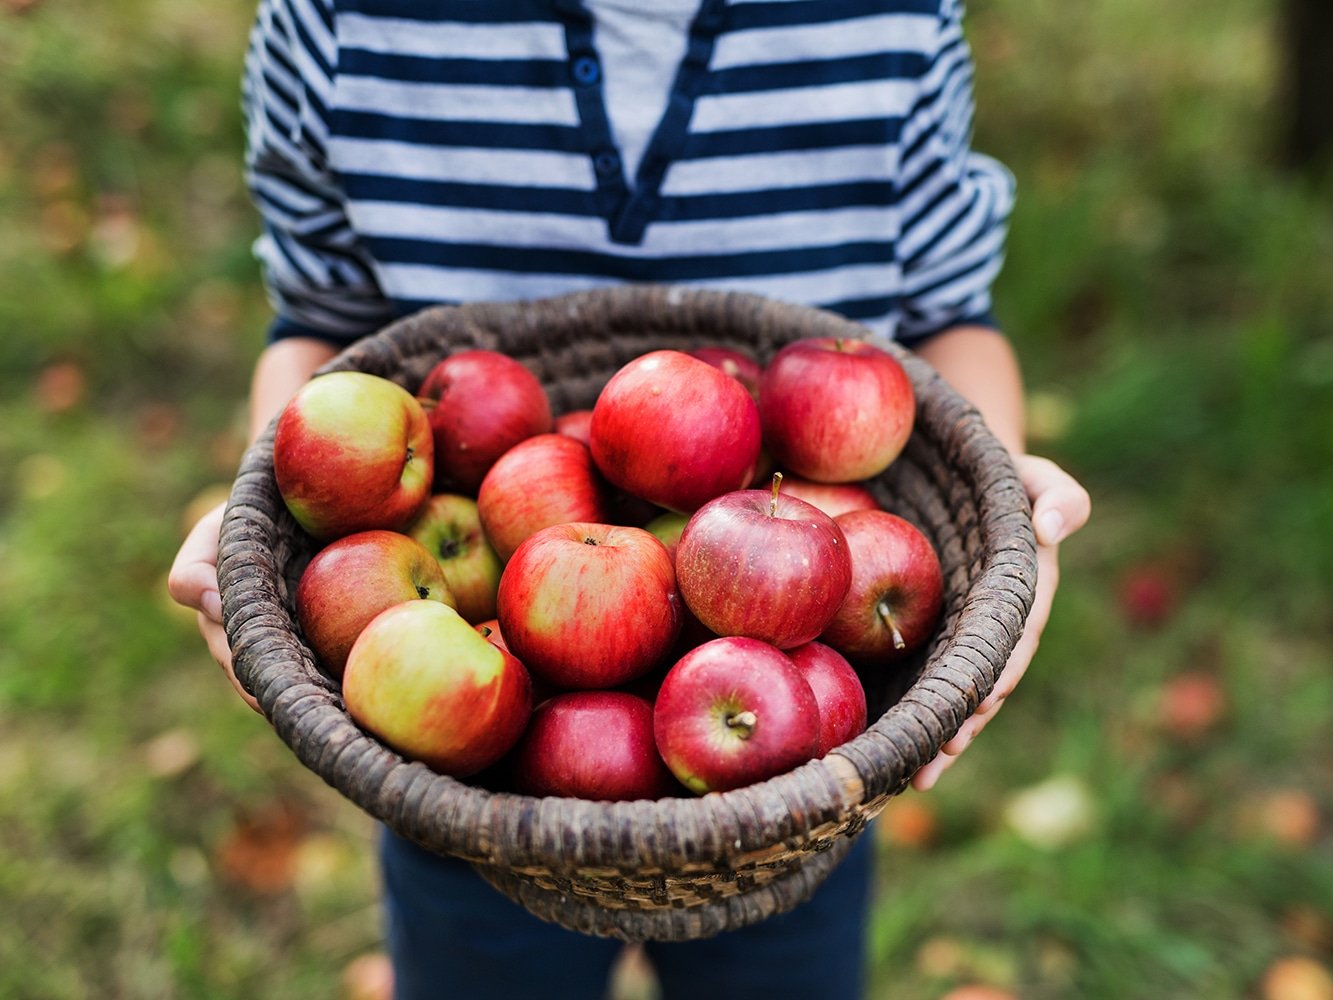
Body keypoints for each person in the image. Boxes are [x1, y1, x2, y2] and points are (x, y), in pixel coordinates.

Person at [168, 0, 1091, 997]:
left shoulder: (893, 19)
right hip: (473, 782)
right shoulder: (340, 21)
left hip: (804, 772)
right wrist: (279, 514)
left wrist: (1002, 495)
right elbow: (320, 324)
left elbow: (954, 310)